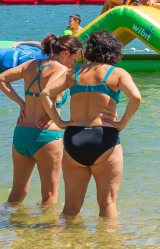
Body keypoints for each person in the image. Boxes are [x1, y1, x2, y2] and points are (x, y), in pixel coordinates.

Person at [43, 30, 142, 219]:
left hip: (74, 138)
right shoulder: (117, 73)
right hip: (104, 138)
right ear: (113, 50)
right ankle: (106, 247)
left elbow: (45, 94)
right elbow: (136, 97)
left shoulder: (74, 73)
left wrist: (58, 121)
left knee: (71, 207)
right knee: (107, 203)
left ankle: (65, 246)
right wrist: (122, 123)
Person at [0, 34, 81, 206]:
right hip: (45, 136)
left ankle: (10, 227)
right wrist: (54, 115)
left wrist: (21, 104)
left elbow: (0, 80)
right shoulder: (63, 71)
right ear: (65, 54)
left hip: (21, 133)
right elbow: (47, 94)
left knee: (16, 194)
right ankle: (46, 233)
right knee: (49, 196)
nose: (74, 64)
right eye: (74, 59)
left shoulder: (31, 64)